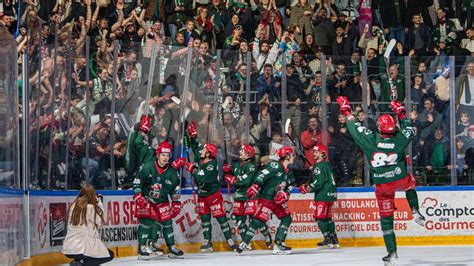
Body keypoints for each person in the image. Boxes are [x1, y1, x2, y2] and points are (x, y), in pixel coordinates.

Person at [336, 96, 426, 264]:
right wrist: (400, 112)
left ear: (379, 127)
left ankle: (392, 253)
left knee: (386, 219)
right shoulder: (400, 138)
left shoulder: (370, 139)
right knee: (410, 185)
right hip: (400, 177)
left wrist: (346, 110)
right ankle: (414, 209)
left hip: (382, 185)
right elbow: (408, 127)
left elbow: (353, 126)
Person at [184, 121, 237, 253]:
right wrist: (193, 136)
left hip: (213, 195)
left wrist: (193, 169)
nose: (201, 150)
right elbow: (195, 147)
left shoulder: (211, 165)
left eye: (204, 150)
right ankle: (207, 242)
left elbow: (201, 178)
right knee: (205, 219)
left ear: (208, 154)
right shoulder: (200, 158)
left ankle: (229, 239)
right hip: (202, 195)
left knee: (221, 218)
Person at [236, 146, 295, 255]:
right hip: (267, 198)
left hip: (276, 201)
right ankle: (244, 242)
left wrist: (285, 194)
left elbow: (289, 187)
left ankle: (278, 243)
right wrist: (255, 186)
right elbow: (261, 175)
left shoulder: (289, 172)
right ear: (286, 156)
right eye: (292, 155)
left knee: (287, 218)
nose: (293, 157)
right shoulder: (276, 165)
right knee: (258, 220)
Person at [133, 140, 186, 259]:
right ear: (157, 155)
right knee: (145, 223)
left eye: (167, 155)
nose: (165, 157)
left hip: (162, 201)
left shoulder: (173, 172)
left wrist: (176, 203)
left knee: (168, 223)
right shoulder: (147, 166)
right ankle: (142, 248)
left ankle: (171, 247)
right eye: (163, 155)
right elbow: (137, 183)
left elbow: (174, 189)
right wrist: (138, 196)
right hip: (147, 199)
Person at [223, 144, 273, 250]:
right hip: (238, 196)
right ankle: (246, 242)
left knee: (254, 220)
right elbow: (235, 175)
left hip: (250, 196)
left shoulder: (251, 166)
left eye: (242, 150)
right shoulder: (237, 165)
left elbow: (246, 181)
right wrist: (228, 171)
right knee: (239, 221)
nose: (240, 152)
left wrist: (233, 180)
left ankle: (266, 234)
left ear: (248, 154)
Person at [62, 183, 114, 266]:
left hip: (68, 247)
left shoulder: (72, 206)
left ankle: (80, 262)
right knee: (109, 255)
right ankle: (80, 263)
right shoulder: (90, 207)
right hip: (82, 247)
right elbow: (100, 222)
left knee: (95, 259)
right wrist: (100, 203)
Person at [298, 144, 338, 248]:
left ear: (323, 154)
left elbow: (318, 183)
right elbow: (322, 175)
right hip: (331, 194)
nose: (314, 154)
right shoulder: (326, 164)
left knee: (319, 217)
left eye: (316, 152)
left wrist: (307, 188)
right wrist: (315, 170)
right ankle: (334, 239)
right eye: (314, 152)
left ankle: (327, 238)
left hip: (323, 195)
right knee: (328, 218)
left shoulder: (318, 166)